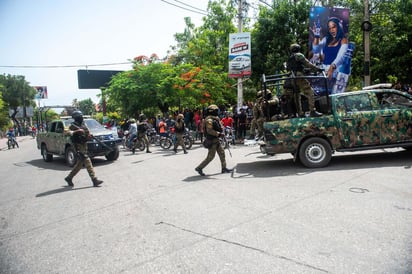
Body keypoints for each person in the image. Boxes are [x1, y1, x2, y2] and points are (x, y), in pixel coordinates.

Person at [65, 111, 103, 187]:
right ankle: (94, 179)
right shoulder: (72, 125)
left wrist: (89, 136)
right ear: (76, 118)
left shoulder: (83, 124)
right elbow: (66, 132)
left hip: (84, 145)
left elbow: (87, 133)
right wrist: (76, 131)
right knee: (87, 161)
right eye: (80, 117)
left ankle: (69, 177)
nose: (82, 118)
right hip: (78, 146)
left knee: (79, 165)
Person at [284, 43, 323, 117]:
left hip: (292, 77)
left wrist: (304, 70)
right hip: (299, 76)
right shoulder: (299, 55)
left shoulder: (290, 58)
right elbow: (308, 64)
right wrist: (317, 69)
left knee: (297, 95)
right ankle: (312, 110)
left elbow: (293, 68)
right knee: (310, 91)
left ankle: (300, 113)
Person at [311, 17, 348, 91]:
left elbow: (341, 57)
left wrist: (332, 67)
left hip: (336, 73)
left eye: (334, 27)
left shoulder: (343, 40)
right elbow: (315, 49)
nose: (332, 30)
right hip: (324, 72)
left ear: (339, 26)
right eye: (330, 28)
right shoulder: (326, 39)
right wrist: (316, 36)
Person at [195, 104, 233, 176]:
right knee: (210, 157)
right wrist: (219, 134)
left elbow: (219, 127)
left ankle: (224, 168)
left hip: (216, 140)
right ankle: (199, 168)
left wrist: (222, 131)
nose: (217, 112)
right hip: (212, 140)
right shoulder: (209, 120)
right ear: (212, 111)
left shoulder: (215, 119)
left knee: (222, 153)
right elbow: (210, 131)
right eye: (216, 110)